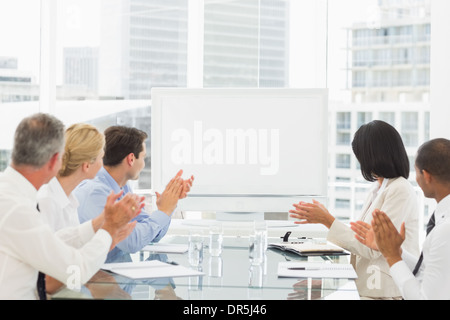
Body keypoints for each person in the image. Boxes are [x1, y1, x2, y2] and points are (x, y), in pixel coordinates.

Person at [0, 113, 143, 300]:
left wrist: (99, 224)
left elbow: (52, 241)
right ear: (54, 160)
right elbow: (76, 269)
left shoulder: (12, 195)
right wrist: (108, 229)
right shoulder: (17, 208)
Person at [289, 120, 420, 299]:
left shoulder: (400, 190)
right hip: (369, 289)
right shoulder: (378, 190)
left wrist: (327, 220)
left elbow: (373, 247)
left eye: (361, 155)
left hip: (387, 293)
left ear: (372, 155)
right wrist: (326, 282)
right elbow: (361, 247)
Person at [74, 125, 194, 262]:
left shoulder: (122, 186)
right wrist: (164, 211)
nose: (143, 164)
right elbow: (131, 242)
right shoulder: (95, 192)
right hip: (96, 279)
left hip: (119, 276)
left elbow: (150, 235)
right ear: (131, 159)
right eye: (143, 157)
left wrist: (168, 204)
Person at [351, 138, 450, 300]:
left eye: (416, 172)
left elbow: (424, 297)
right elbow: (426, 270)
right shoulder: (442, 220)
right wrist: (397, 252)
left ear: (426, 176)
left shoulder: (445, 230)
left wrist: (392, 256)